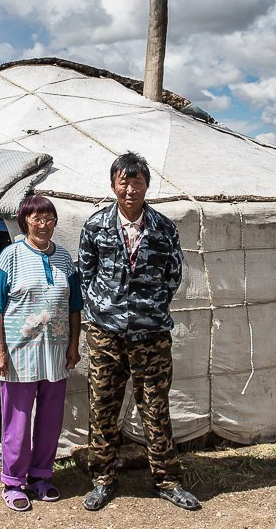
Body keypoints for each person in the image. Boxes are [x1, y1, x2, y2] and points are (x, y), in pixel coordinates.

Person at [77, 151, 201, 511]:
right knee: (102, 407)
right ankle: (102, 478)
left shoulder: (164, 228)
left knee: (156, 408)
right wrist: (106, 310)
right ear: (113, 184)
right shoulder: (96, 225)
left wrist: (149, 308)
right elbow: (86, 275)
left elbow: (173, 276)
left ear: (147, 185)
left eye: (137, 181)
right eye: (124, 181)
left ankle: (166, 480)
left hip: (151, 335)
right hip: (105, 334)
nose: (130, 189)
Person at [0, 195, 83, 512]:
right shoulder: (9, 257)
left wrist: (73, 345)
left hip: (55, 355)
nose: (43, 224)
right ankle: (13, 481)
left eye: (49, 218)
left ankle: (41, 476)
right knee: (18, 423)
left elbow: (75, 308)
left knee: (51, 421)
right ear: (24, 221)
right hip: (17, 357)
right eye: (36, 218)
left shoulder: (65, 259)